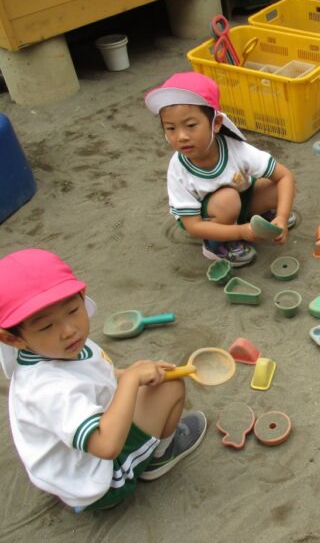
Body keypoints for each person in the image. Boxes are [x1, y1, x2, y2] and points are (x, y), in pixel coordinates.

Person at [0, 249, 207, 511]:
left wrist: (126, 375)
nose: (68, 330)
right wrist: (131, 380)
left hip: (73, 468)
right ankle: (159, 457)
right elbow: (106, 446)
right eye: (45, 326)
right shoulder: (46, 389)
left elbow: (95, 376)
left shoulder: (54, 349)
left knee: (155, 379)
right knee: (170, 387)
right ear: (12, 338)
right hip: (103, 479)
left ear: (82, 297)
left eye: (73, 310)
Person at [145, 71, 297, 267]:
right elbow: (193, 226)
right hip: (208, 217)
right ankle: (216, 245)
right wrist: (241, 232)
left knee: (275, 188)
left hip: (238, 201)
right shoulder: (178, 168)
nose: (181, 136)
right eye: (171, 128)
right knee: (227, 200)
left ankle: (254, 219)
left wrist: (282, 216)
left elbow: (284, 176)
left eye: (191, 125)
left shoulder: (235, 148)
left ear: (216, 123)